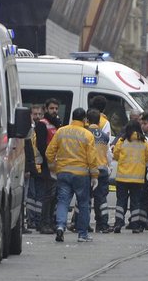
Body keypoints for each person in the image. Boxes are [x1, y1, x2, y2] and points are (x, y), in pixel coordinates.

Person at [46, 107, 100, 243]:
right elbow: (92, 158)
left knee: (63, 201)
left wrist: (53, 167)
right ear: (84, 119)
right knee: (83, 204)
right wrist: (94, 175)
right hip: (81, 175)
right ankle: (82, 234)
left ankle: (59, 226)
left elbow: (49, 153)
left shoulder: (61, 131)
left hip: (63, 173)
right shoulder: (87, 135)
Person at [112, 120, 148, 233]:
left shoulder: (121, 141)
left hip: (122, 177)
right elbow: (147, 157)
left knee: (121, 201)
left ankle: (118, 223)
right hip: (137, 178)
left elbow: (115, 155)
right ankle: (134, 225)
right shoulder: (144, 142)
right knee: (136, 202)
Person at [34, 98, 61, 234]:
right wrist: (49, 160)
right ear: (46, 109)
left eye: (56, 108)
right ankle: (44, 223)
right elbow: (41, 145)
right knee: (48, 195)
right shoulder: (42, 124)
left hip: (57, 164)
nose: (54, 111)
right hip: (47, 165)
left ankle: (50, 222)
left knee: (54, 195)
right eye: (51, 108)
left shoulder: (57, 124)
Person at [86, 109, 113, 233]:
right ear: (99, 121)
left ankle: (83, 223)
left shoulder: (84, 133)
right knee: (101, 199)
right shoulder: (104, 136)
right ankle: (102, 224)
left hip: (88, 170)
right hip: (102, 170)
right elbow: (109, 154)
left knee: (85, 198)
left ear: (87, 120)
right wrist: (109, 167)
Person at [23, 105, 44, 233]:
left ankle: (36, 220)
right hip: (30, 167)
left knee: (38, 196)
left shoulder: (41, 129)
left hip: (39, 166)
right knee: (30, 195)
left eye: (39, 114)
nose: (37, 116)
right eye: (34, 114)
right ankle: (30, 220)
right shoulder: (27, 130)